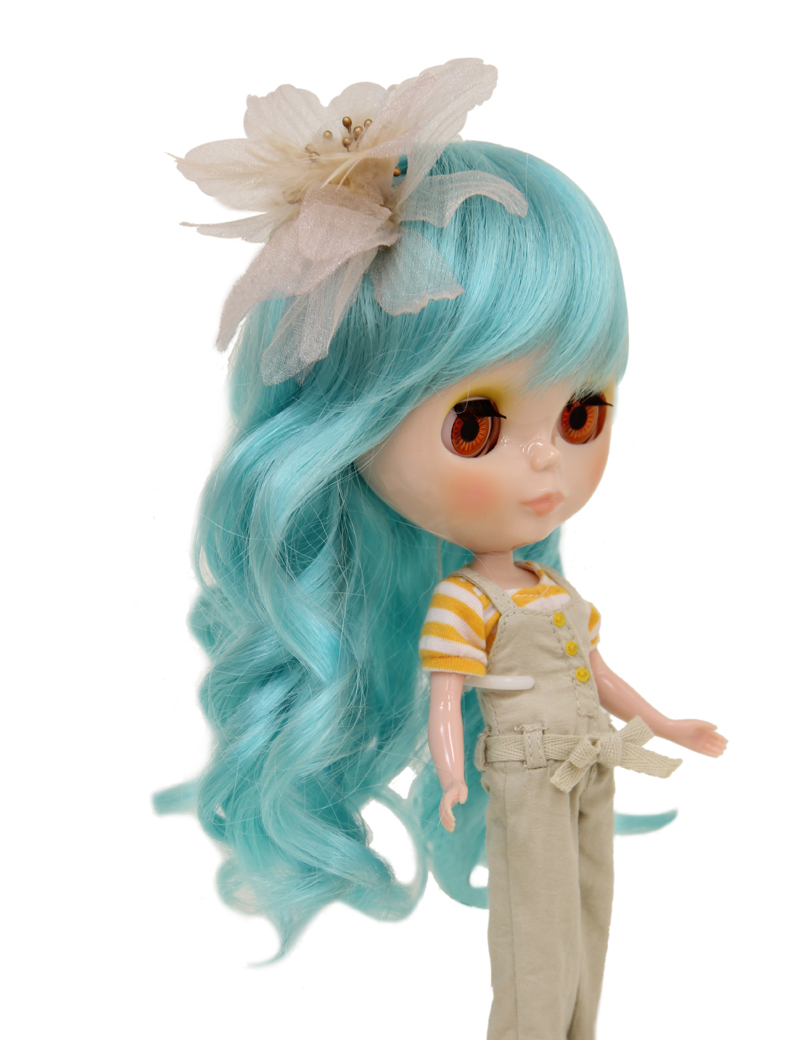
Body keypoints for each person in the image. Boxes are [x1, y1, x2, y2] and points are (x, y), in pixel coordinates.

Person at [157, 58, 727, 1040]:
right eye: (475, 424)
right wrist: (455, 771)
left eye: (581, 412)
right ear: (344, 428)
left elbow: (595, 672)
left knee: (588, 924)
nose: (545, 460)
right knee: (538, 937)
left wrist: (664, 722)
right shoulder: (465, 603)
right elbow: (446, 694)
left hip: (586, 762)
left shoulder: (547, 588)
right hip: (524, 767)